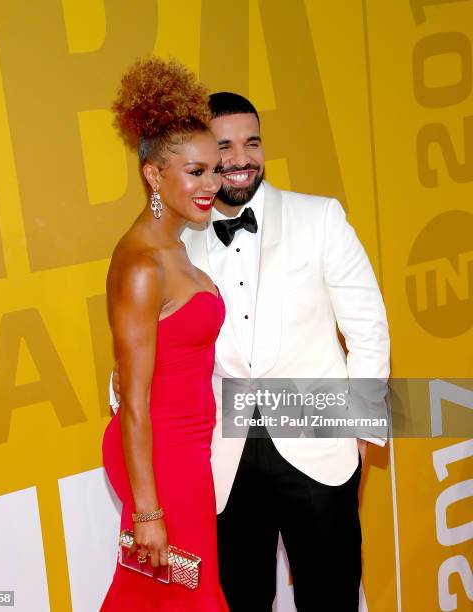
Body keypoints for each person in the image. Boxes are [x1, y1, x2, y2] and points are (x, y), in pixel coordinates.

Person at [112, 92, 390, 611]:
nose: (240, 159)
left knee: (331, 596)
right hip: (221, 461)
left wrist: (359, 434)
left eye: (253, 142)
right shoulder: (175, 243)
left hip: (318, 445)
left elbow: (368, 330)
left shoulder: (320, 217)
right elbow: (143, 358)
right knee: (239, 599)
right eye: (224, 148)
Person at [101, 57, 228, 611]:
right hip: (160, 456)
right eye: (195, 172)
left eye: (214, 170)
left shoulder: (173, 247)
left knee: (166, 597)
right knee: (187, 597)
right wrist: (148, 511)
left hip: (185, 451)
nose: (212, 185)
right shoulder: (140, 263)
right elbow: (132, 401)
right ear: (155, 175)